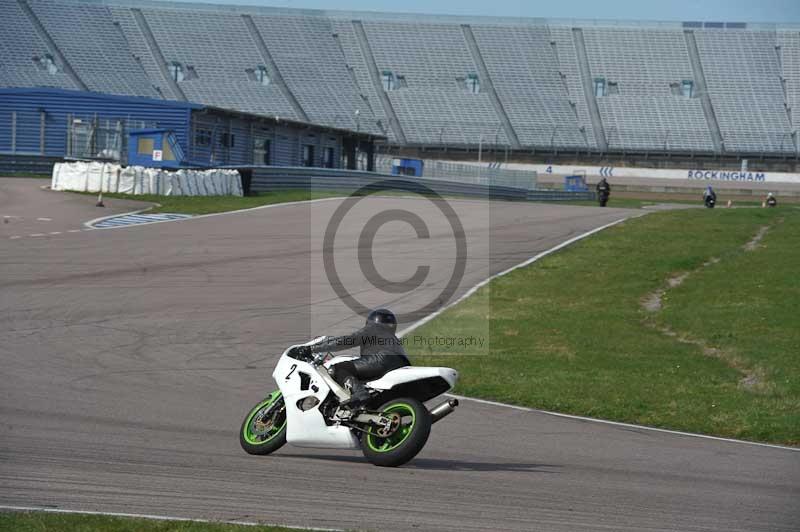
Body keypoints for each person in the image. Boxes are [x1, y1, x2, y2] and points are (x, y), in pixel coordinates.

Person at [291, 308, 409, 410]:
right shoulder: (393, 339)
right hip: (400, 365)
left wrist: (312, 348)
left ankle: (360, 393)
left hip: (382, 360)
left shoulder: (373, 328)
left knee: (338, 368)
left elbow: (347, 340)